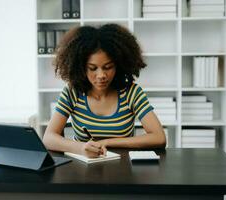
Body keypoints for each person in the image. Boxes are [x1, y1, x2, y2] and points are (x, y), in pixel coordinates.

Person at [43, 24, 166, 158]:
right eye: (92, 68)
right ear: (80, 67)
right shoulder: (73, 92)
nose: (101, 75)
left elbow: (159, 138)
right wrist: (81, 148)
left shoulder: (131, 93)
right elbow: (48, 138)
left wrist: (106, 142)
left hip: (122, 168)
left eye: (108, 67)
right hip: (83, 169)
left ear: (118, 65)